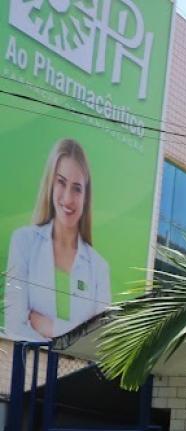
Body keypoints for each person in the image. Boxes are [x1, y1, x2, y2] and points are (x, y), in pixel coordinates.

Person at [5, 139, 111, 341]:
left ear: (86, 197)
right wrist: (74, 338)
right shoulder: (23, 242)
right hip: (30, 369)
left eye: (77, 188)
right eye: (61, 182)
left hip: (75, 373)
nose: (68, 198)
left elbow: (99, 342)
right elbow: (14, 327)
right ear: (51, 184)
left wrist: (50, 327)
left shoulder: (99, 268)